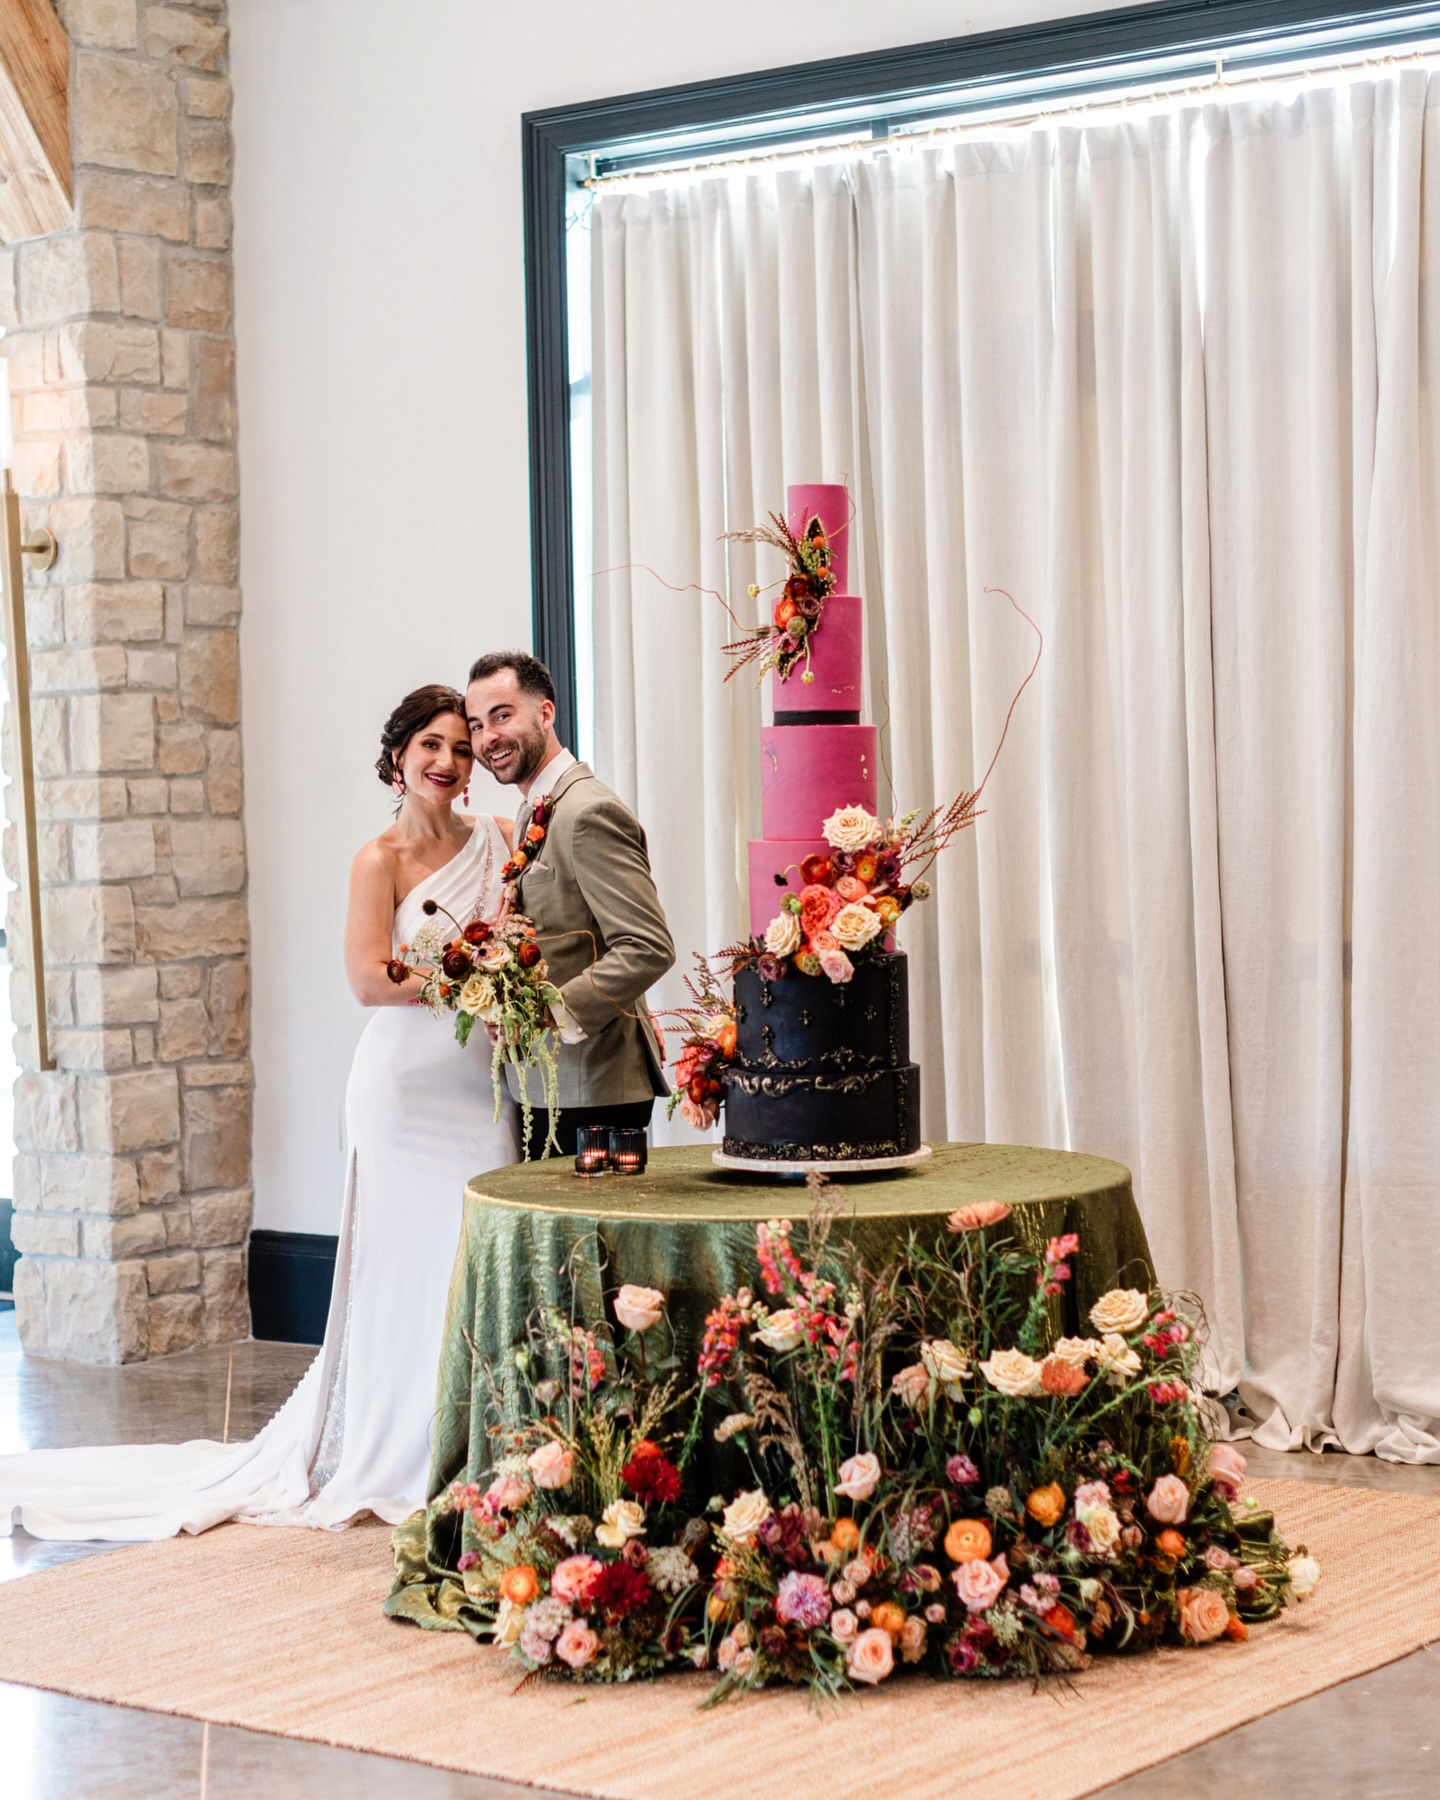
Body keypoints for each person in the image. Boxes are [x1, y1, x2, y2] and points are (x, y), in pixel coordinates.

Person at [0, 685, 520, 1540]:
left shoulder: (498, 843)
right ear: (398, 757)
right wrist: (471, 978)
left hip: (477, 1084)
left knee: (471, 1259)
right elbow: (366, 980)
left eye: (462, 749)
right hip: (400, 1093)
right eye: (432, 744)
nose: (448, 763)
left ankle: (470, 1446)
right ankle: (399, 1451)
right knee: (403, 1266)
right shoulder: (377, 859)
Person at [467, 651, 675, 1157]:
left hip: (595, 1090)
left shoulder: (587, 811)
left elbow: (647, 946)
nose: (487, 737)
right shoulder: (536, 809)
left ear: (545, 713)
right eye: (476, 725)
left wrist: (547, 1013)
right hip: (552, 1085)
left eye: (502, 715)